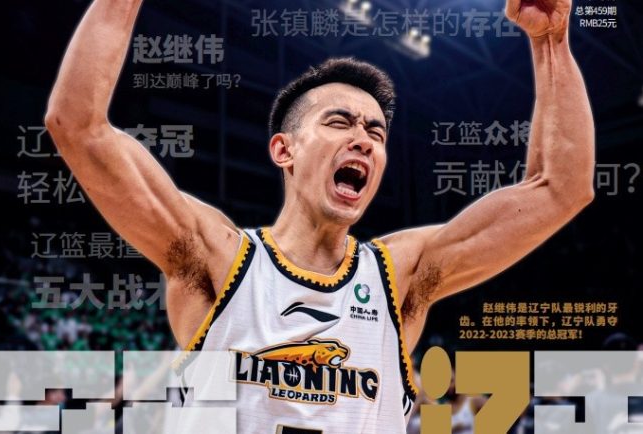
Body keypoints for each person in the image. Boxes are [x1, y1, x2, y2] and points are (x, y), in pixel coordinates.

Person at [44, 0, 594, 432]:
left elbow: (560, 190)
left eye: (376, 132)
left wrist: (551, 41)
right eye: (340, 122)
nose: (363, 139)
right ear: (284, 150)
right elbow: (79, 126)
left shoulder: (401, 274)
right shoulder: (218, 256)